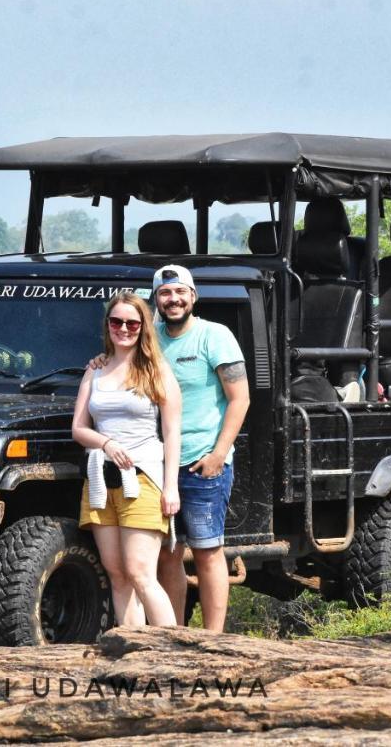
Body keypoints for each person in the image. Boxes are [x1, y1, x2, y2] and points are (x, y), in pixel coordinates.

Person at [90, 264, 250, 631]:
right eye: (165, 294)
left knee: (208, 552)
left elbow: (239, 399)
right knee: (166, 554)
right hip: (153, 464)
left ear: (193, 296)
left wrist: (218, 454)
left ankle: (214, 640)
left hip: (200, 460)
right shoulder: (148, 336)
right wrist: (101, 360)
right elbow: (118, 358)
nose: (173, 299)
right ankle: (173, 636)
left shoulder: (215, 336)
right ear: (155, 300)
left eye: (180, 293)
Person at [72, 292, 182, 627]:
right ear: (108, 325)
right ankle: (133, 652)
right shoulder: (96, 370)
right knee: (118, 575)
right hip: (101, 480)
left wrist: (171, 488)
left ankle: (174, 651)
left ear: (143, 327)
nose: (124, 328)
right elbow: (78, 428)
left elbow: (173, 432)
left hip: (144, 476)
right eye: (117, 321)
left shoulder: (156, 371)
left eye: (132, 323)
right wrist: (105, 443)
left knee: (141, 573)